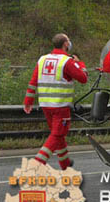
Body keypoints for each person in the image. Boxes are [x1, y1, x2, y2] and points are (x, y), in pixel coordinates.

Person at [23, 34, 88, 170]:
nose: (70, 42)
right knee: (58, 135)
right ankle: (37, 164)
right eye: (69, 40)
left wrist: (28, 101)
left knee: (58, 134)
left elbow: (33, 81)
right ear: (65, 44)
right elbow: (83, 78)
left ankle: (65, 163)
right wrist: (80, 63)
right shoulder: (67, 61)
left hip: (46, 105)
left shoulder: (42, 59)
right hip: (60, 105)